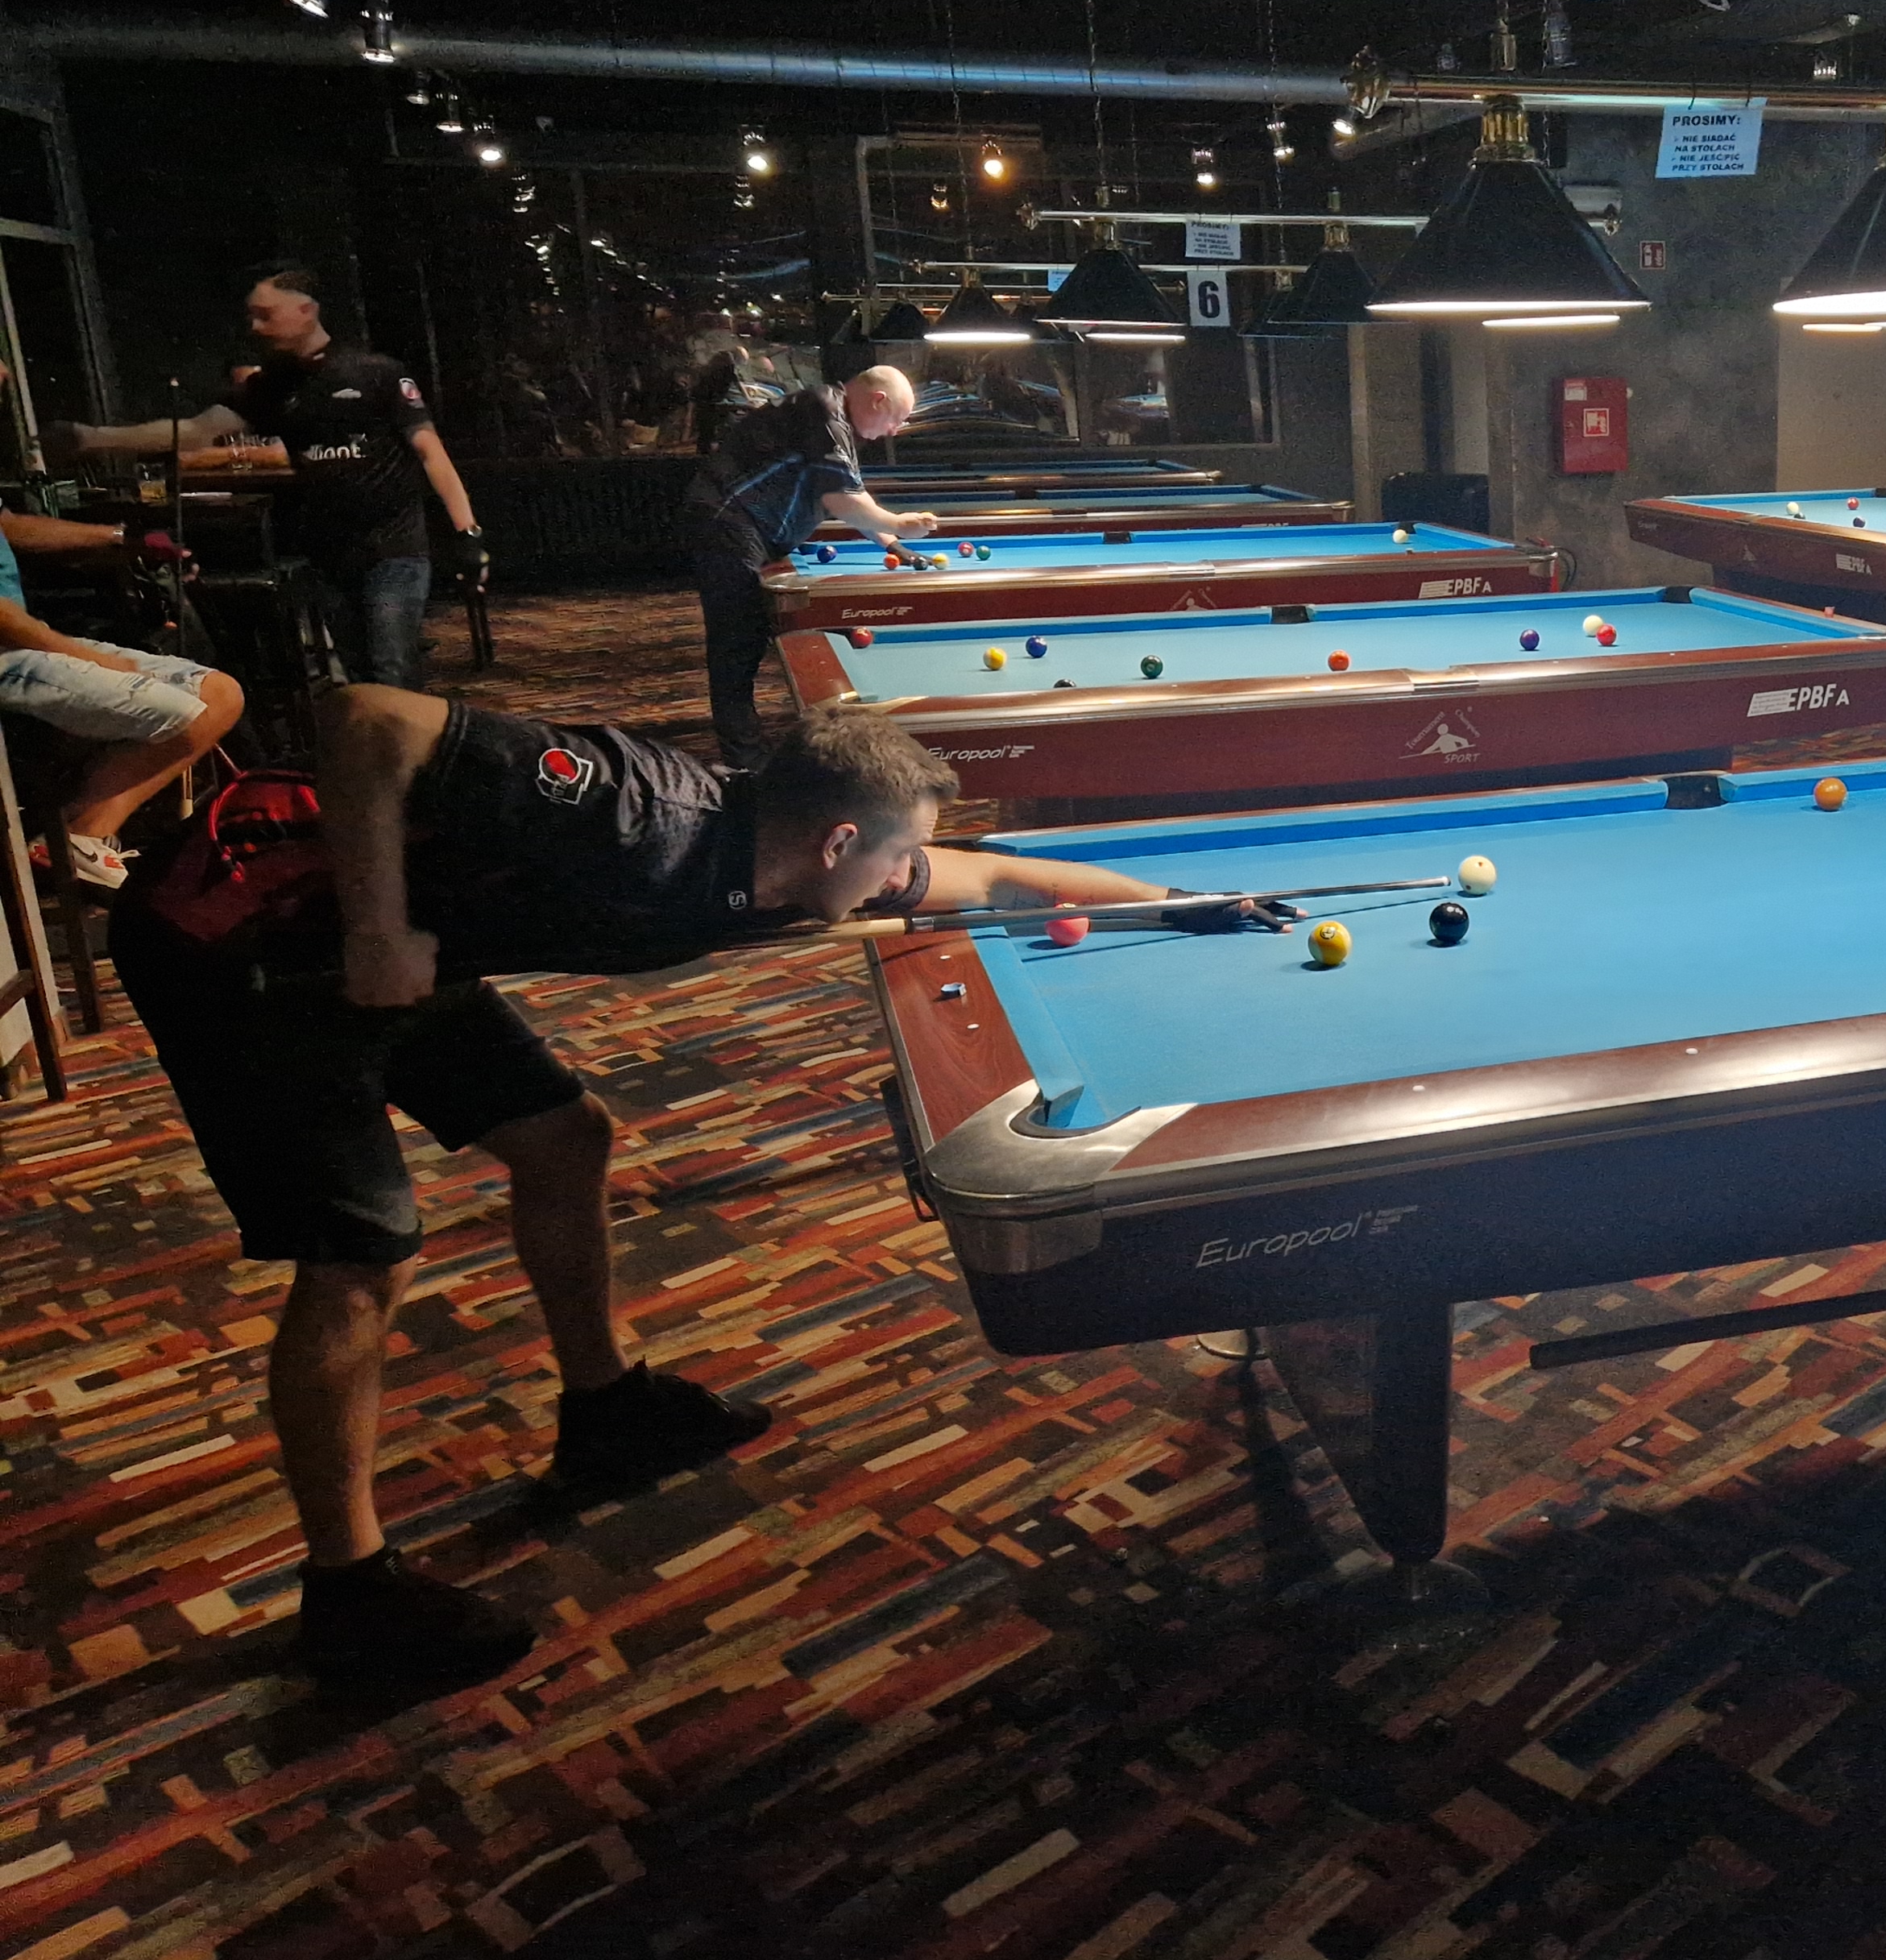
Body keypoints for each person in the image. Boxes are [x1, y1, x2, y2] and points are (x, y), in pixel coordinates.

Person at [110, 692, 1279, 1691]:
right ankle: (350, 1594)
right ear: (836, 841)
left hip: (402, 934)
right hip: (237, 942)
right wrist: (377, 929)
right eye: (892, 860)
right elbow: (367, 715)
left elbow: (991, 874)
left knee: (565, 1141)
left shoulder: (797, 856)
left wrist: (1171, 904)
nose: (904, 880)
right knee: (361, 1258)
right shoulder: (634, 814)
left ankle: (606, 1411)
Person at [50, 267, 485, 693]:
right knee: (360, 676)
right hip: (329, 554)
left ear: (306, 310)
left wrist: (467, 533)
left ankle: (417, 742)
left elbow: (431, 453)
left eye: (266, 315)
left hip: (394, 549)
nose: (256, 327)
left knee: (393, 669)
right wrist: (93, 438)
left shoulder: (376, 372)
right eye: (252, 317)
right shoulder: (272, 386)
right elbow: (196, 430)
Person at [683, 367, 937, 772]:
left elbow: (845, 492)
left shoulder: (832, 413)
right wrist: (899, 524)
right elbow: (842, 500)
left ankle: (746, 744)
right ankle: (745, 762)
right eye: (896, 419)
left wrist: (893, 545)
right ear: (878, 401)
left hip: (738, 522)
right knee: (737, 641)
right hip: (729, 518)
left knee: (743, 637)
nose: (893, 431)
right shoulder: (825, 414)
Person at [0, 508, 245, 889]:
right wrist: (89, 658)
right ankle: (67, 838)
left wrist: (120, 538)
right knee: (181, 712)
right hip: (6, 654)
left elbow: (7, 524)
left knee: (220, 695)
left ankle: (79, 836)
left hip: (21, 640)